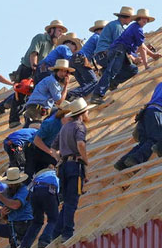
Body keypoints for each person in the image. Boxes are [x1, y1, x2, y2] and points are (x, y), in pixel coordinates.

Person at [114, 62, 162, 170]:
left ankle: (122, 162)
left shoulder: (161, 84)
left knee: (145, 141)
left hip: (147, 112)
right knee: (155, 139)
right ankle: (135, 159)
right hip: (157, 112)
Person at [90, 8, 161, 104]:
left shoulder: (131, 27)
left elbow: (141, 45)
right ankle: (97, 95)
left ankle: (112, 82)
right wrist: (145, 64)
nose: (145, 22)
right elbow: (122, 46)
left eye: (146, 20)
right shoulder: (118, 27)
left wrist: (151, 55)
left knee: (132, 69)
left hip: (111, 53)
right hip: (108, 54)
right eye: (143, 19)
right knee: (111, 72)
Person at [51, 98, 93, 242]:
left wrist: (60, 160)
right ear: (82, 113)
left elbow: (53, 149)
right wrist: (85, 160)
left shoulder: (64, 127)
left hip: (63, 167)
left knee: (66, 202)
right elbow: (80, 144)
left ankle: (55, 233)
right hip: (74, 167)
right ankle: (67, 233)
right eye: (87, 111)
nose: (88, 114)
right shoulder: (79, 126)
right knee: (71, 202)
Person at [0, 167, 34, 248]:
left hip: (24, 224)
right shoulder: (8, 191)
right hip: (12, 225)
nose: (10, 185)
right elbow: (6, 212)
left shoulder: (24, 190)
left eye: (12, 183)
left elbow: (15, 205)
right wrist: (2, 213)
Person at [20, 59, 73, 128]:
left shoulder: (54, 82)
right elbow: (59, 101)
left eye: (65, 71)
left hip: (40, 109)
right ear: (56, 71)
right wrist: (66, 85)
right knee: (34, 130)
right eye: (61, 71)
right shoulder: (52, 81)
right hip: (36, 109)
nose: (63, 74)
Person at [26, 102, 71, 178]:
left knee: (54, 168)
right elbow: (37, 140)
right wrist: (51, 152)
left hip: (46, 149)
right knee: (29, 174)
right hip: (33, 148)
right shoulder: (51, 123)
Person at [19, 167, 60, 248]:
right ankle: (44, 240)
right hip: (47, 190)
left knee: (37, 222)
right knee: (53, 219)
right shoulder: (56, 175)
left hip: (34, 191)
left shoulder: (40, 175)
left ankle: (24, 245)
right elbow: (56, 196)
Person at [68, 20, 106, 99]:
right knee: (94, 82)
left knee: (85, 85)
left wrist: (95, 69)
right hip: (81, 58)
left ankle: (72, 98)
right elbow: (100, 53)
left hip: (74, 60)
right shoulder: (98, 37)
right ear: (102, 30)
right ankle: (71, 94)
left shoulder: (93, 37)